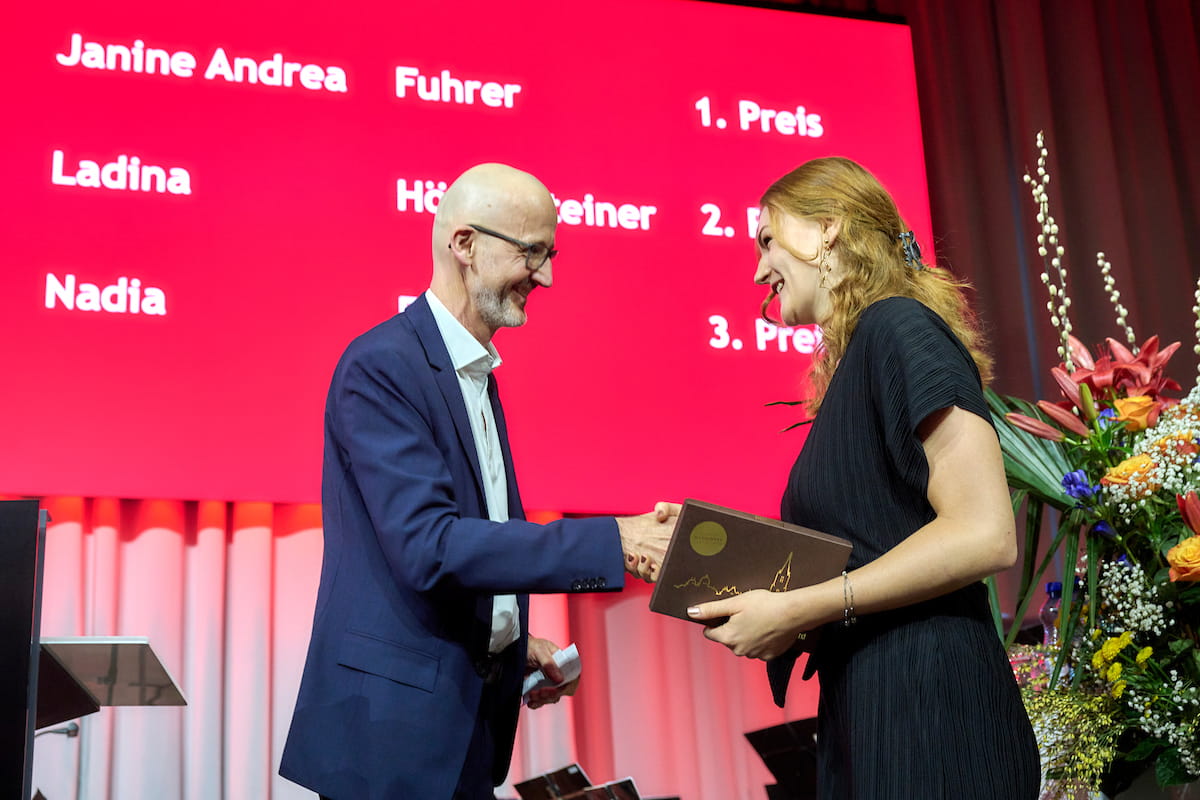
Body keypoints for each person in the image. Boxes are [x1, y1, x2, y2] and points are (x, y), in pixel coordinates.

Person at [279, 163, 673, 800]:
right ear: (464, 244)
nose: (544, 276)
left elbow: (472, 546)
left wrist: (514, 640)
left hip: (460, 736)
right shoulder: (382, 366)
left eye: (550, 254)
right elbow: (431, 549)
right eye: (532, 252)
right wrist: (615, 539)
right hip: (389, 748)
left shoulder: (476, 375)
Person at [686, 157, 1040, 799]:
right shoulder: (860, 360)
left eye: (767, 239)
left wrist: (799, 606)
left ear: (827, 230)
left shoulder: (898, 326)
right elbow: (877, 547)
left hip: (932, 710)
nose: (758, 269)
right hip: (872, 707)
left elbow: (986, 534)